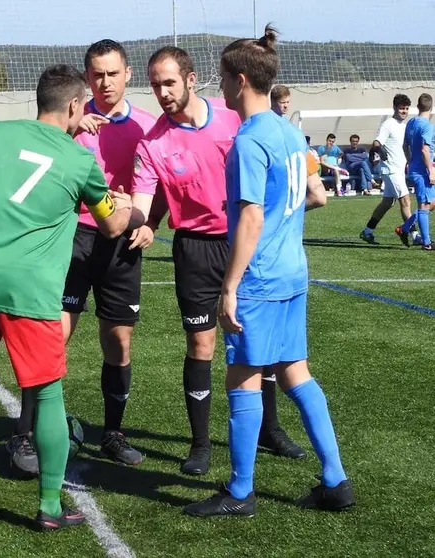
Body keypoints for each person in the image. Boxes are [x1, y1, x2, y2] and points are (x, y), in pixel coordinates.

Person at [0, 64, 137, 538]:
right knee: (48, 395)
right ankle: (49, 505)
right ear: (76, 105)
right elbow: (113, 226)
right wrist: (129, 205)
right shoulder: (81, 162)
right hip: (32, 293)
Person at [183, 25, 354, 518]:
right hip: (293, 273)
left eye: (221, 78)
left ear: (240, 80)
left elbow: (252, 216)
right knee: (296, 371)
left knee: (242, 380)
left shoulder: (250, 139)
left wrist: (230, 286)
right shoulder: (287, 130)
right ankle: (335, 479)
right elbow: (315, 195)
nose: (219, 88)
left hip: (258, 278)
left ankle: (240, 492)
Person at [131, 46, 305, 477]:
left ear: (191, 79)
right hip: (193, 249)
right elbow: (143, 204)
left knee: (257, 344)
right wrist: (142, 221)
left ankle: (271, 428)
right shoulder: (152, 142)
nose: (162, 92)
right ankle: (200, 444)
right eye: (155, 85)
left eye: (169, 82)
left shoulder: (234, 119)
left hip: (243, 245)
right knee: (201, 346)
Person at [7, 40, 157, 475]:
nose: (105, 82)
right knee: (51, 338)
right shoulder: (69, 120)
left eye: (113, 73)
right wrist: (71, 131)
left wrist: (150, 224)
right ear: (86, 78)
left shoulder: (147, 127)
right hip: (70, 242)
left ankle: (113, 433)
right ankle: (25, 430)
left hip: (121, 246)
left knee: (119, 341)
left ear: (127, 74)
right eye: (97, 74)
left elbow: (159, 183)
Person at [360, 94, 414, 245]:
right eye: (401, 108)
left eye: (406, 109)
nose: (404, 111)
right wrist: (376, 148)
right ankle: (415, 235)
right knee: (406, 201)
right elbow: (377, 141)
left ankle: (367, 231)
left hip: (399, 170)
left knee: (387, 203)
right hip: (391, 170)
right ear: (395, 108)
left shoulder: (404, 126)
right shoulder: (388, 124)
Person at [395, 93, 434, 249]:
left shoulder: (411, 123)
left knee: (429, 204)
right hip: (422, 171)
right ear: (431, 108)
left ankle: (403, 229)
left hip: (416, 168)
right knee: (424, 206)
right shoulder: (426, 126)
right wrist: (430, 170)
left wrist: (410, 159)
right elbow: (425, 150)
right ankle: (427, 243)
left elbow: (405, 145)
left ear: (418, 107)